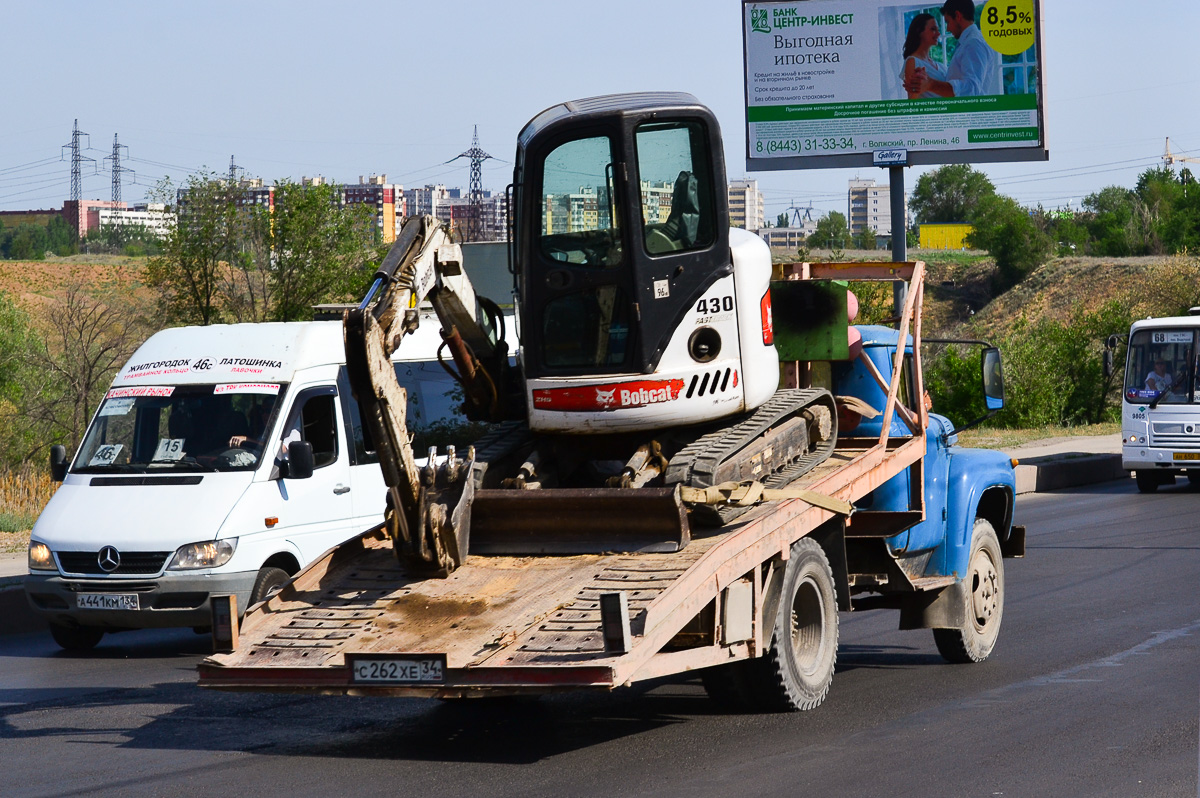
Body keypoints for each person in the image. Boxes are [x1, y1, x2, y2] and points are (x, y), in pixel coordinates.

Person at [903, 0, 1001, 98]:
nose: (948, 29)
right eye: (933, 29)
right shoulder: (968, 43)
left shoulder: (973, 43)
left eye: (948, 22)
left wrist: (930, 84)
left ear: (958, 16)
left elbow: (972, 90)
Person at [901, 13, 946, 99]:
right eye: (933, 29)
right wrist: (918, 86)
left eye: (938, 30)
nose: (938, 34)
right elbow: (912, 102)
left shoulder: (940, 65)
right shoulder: (912, 61)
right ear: (919, 31)